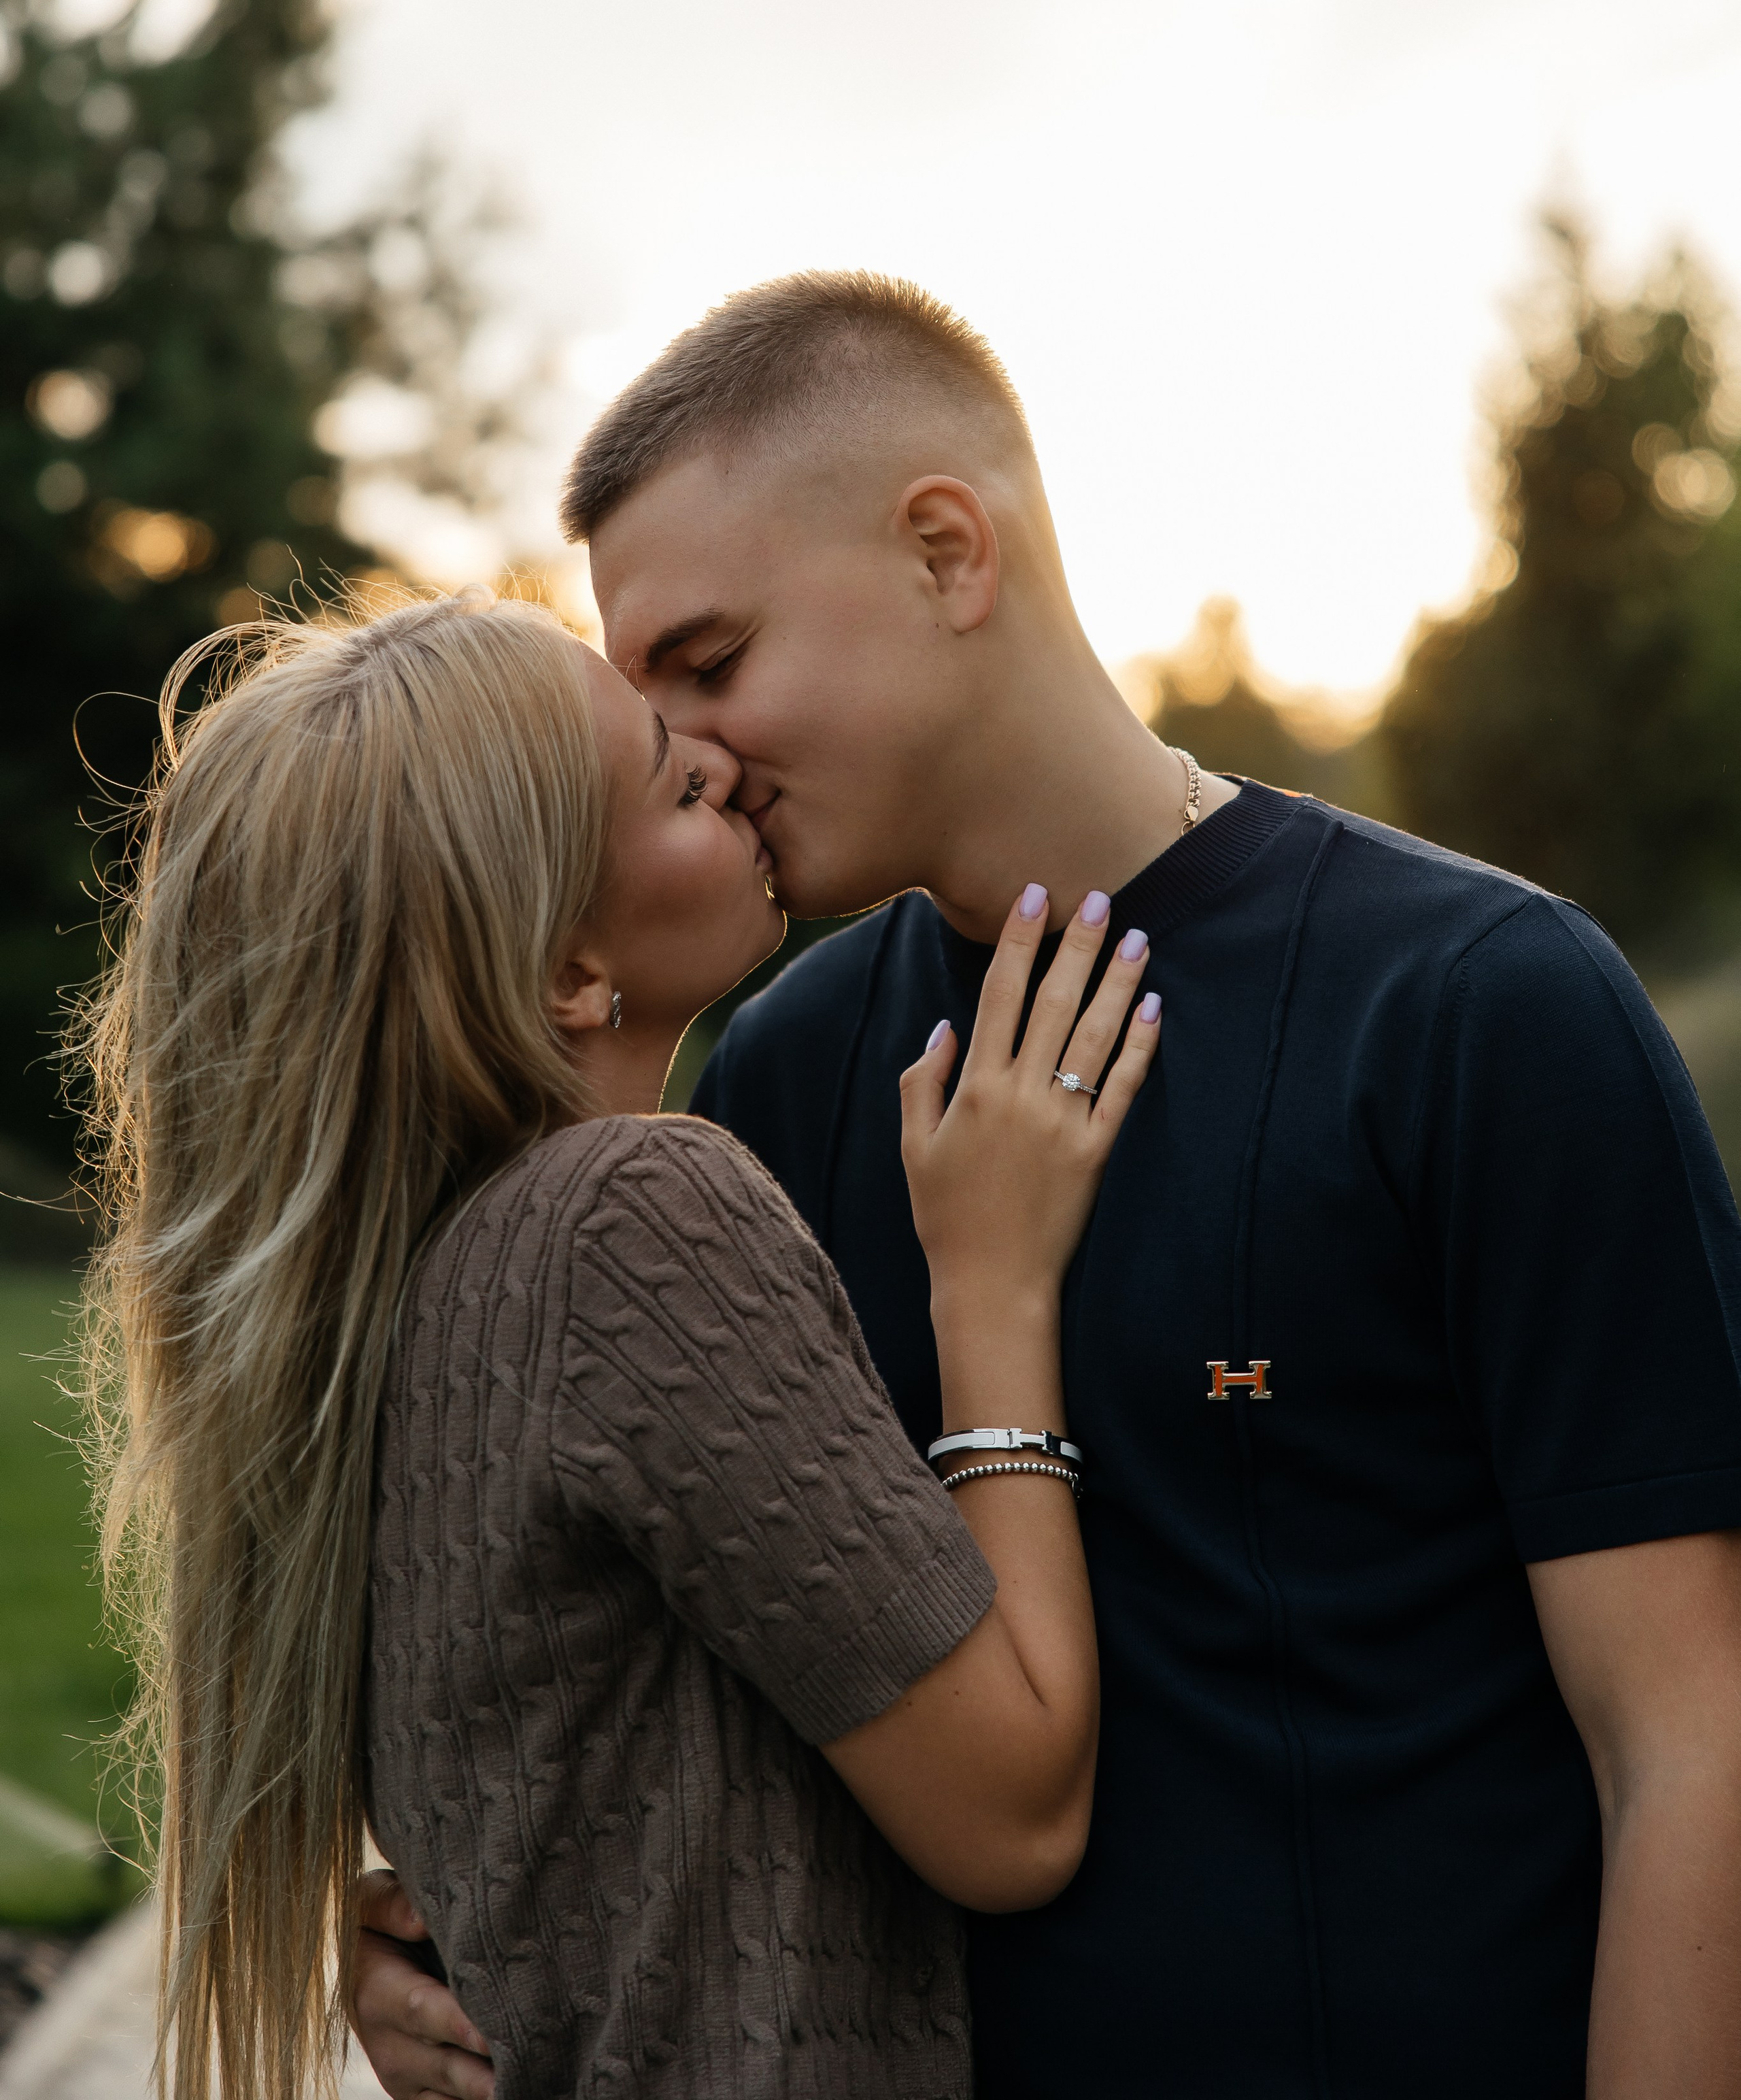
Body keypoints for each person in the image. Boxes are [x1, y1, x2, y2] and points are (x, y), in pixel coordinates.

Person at [354, 269, 1741, 2100]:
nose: (692, 752)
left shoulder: (1480, 1009)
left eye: (713, 661)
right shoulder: (773, 1084)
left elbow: (1686, 1742)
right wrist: (439, 1938)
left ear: (947, 553)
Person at [78, 586, 1164, 2100]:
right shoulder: (631, 1217)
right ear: (561, 977)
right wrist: (991, 1283)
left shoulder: (376, 1302)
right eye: (668, 775)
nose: (718, 757)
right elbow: (1012, 1816)